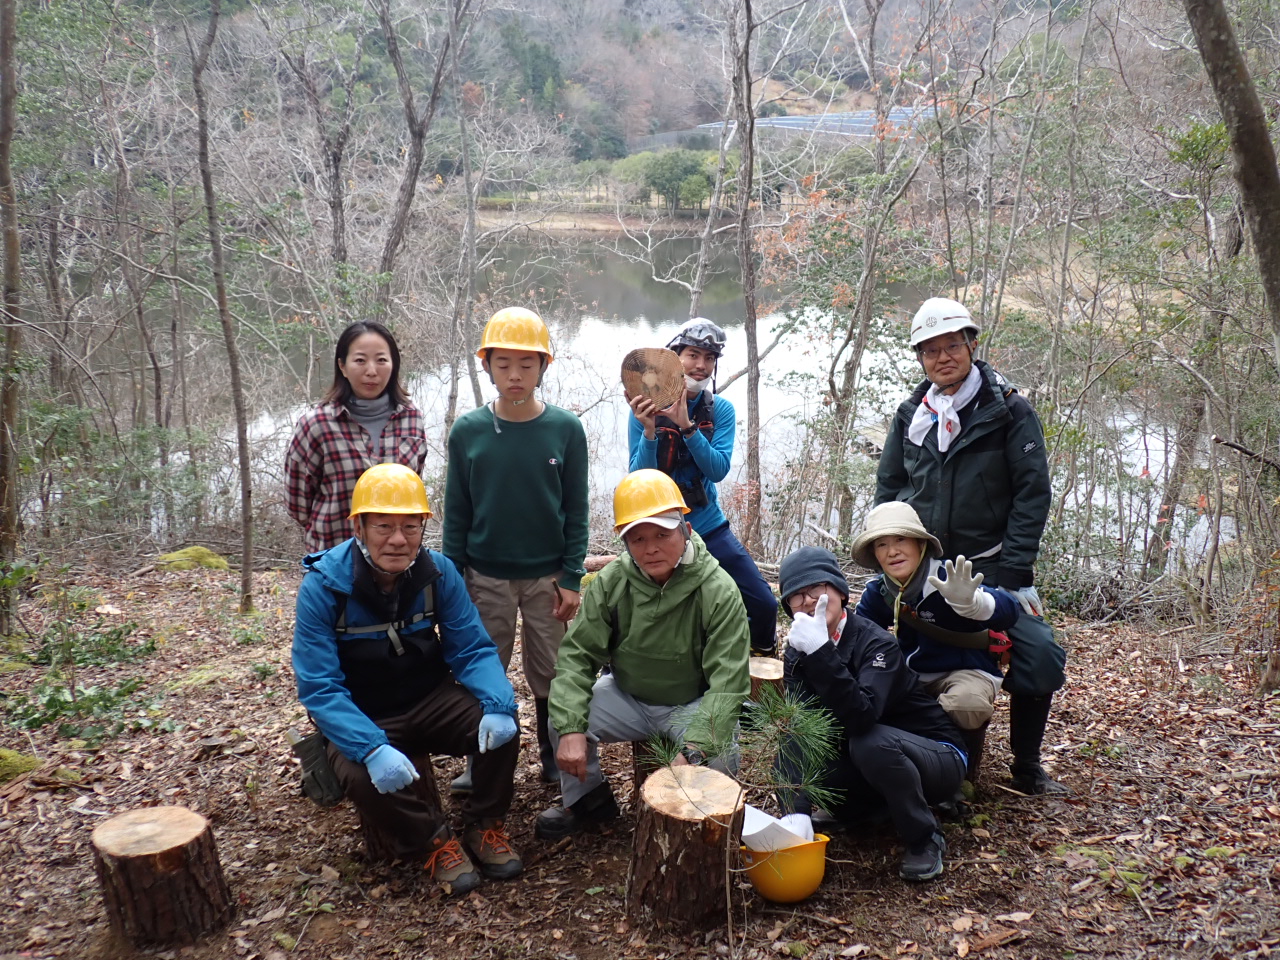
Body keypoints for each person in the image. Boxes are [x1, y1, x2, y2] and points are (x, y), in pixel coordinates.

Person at [292, 463, 522, 894]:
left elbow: (471, 648)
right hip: (365, 712)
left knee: (503, 732)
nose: (397, 539)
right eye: (383, 526)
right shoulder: (324, 587)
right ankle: (434, 842)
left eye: (410, 527)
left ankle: (483, 824)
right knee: (362, 776)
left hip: (429, 697)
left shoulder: (437, 573)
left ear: (422, 528)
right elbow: (319, 687)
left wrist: (498, 704)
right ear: (358, 526)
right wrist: (370, 746)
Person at [875, 297, 1068, 795]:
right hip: (920, 568)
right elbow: (889, 489)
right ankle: (915, 757)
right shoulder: (910, 415)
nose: (943, 357)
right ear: (920, 358)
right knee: (878, 640)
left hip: (993, 567)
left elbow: (1032, 494)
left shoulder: (1008, 410)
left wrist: (1013, 573)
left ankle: (1026, 765)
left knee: (1039, 654)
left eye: (952, 345)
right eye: (931, 350)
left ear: (971, 345)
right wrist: (894, 554)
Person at [535, 469, 751, 840]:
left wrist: (695, 749)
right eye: (637, 538)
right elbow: (577, 656)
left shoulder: (718, 589)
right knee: (563, 717)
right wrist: (571, 729)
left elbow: (728, 681)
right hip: (626, 695)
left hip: (691, 703)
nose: (650, 548)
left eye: (661, 535)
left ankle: (707, 830)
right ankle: (588, 802)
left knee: (722, 755)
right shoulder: (613, 581)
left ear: (684, 529)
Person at [444, 307, 589, 793]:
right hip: (485, 575)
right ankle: (479, 760)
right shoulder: (469, 431)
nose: (514, 374)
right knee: (483, 668)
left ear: (544, 367)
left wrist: (571, 576)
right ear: (487, 365)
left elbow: (576, 509)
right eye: (503, 362)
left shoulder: (564, 429)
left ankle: (552, 755)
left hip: (547, 575)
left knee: (551, 671)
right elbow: (457, 514)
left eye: (527, 364)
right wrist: (451, 581)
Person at [775, 545, 967, 882]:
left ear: (839, 591)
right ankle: (802, 836)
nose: (808, 601)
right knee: (792, 744)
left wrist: (821, 653)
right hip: (870, 760)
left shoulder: (876, 643)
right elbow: (804, 727)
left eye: (817, 589)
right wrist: (796, 818)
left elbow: (863, 716)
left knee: (870, 741)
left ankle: (924, 838)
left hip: (936, 756)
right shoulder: (799, 648)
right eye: (796, 595)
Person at [627, 318, 778, 656]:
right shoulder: (644, 407)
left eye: (709, 358)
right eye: (693, 355)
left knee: (764, 604)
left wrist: (687, 426)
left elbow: (718, 469)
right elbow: (638, 481)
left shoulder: (719, 409)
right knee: (644, 612)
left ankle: (761, 665)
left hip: (708, 526)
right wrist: (650, 431)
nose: (700, 365)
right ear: (673, 357)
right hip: (659, 529)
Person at [851, 501, 1021, 780]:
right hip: (910, 675)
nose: (892, 551)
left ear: (920, 544)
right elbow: (862, 638)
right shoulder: (880, 591)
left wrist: (973, 603)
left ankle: (962, 772)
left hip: (966, 670)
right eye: (881, 545)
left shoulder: (950, 578)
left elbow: (1009, 609)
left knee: (965, 705)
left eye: (900, 539)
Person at [285, 321, 428, 553]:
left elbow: (412, 493)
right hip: (333, 561)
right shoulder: (317, 425)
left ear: (393, 365)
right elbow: (298, 506)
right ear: (342, 366)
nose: (371, 371)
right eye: (360, 360)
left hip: (396, 562)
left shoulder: (412, 420)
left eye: (381, 360)